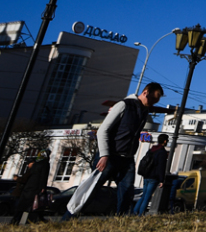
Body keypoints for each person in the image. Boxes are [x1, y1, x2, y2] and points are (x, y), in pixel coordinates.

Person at [62, 83, 166, 219]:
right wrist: (104, 155)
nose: (152, 103)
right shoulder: (123, 105)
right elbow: (103, 130)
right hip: (110, 156)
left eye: (156, 101)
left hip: (127, 159)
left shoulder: (144, 111)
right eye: (152, 99)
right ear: (145, 92)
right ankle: (67, 219)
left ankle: (121, 222)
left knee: (127, 192)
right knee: (91, 189)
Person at [9, 151, 50, 225]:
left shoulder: (35, 164)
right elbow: (43, 176)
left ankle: (14, 221)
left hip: (27, 188)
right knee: (35, 206)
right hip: (35, 188)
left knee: (22, 206)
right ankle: (35, 221)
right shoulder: (45, 164)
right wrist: (42, 187)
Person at [132, 134, 168, 215]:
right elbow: (161, 167)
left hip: (146, 175)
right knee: (147, 197)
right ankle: (141, 214)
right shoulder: (162, 152)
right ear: (165, 141)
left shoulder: (152, 149)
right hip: (154, 177)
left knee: (144, 195)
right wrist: (161, 180)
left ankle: (134, 212)